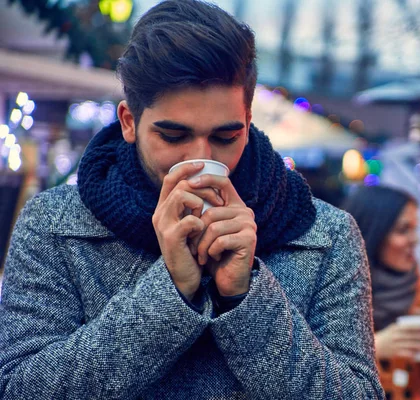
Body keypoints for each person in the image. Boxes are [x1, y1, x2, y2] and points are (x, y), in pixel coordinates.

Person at [0, 1, 384, 398]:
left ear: (248, 122)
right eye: (173, 135)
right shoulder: (55, 224)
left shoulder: (326, 236)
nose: (201, 159)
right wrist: (168, 290)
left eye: (225, 137)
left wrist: (246, 297)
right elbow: (20, 389)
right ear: (130, 121)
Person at [344, 185, 420, 400]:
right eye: (403, 230)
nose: (415, 240)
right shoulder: (340, 289)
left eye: (415, 228)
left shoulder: (416, 287)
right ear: (374, 233)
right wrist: (374, 349)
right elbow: (315, 373)